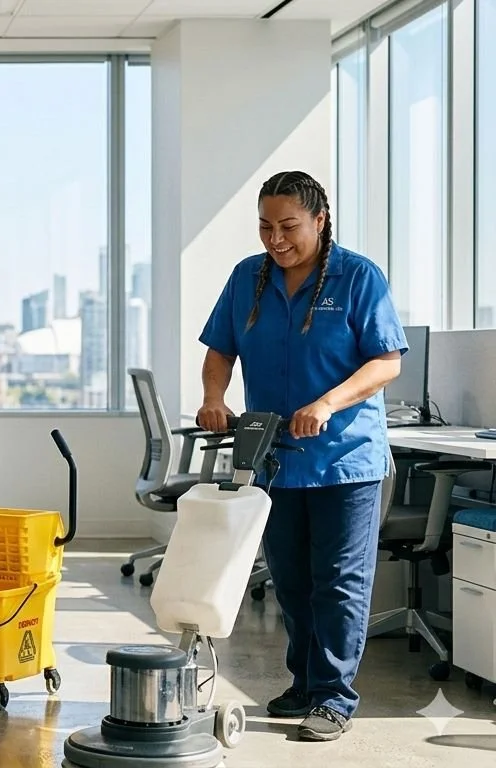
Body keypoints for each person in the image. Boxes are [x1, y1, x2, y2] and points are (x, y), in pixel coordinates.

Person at [196, 169, 405, 742]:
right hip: (274, 458)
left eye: (289, 226)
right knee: (289, 578)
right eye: (265, 226)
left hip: (344, 458)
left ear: (320, 219)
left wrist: (328, 403)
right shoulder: (248, 279)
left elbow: (387, 362)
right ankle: (305, 684)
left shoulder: (358, 276)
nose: (276, 239)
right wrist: (214, 397)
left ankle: (334, 698)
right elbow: (220, 350)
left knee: (338, 580)